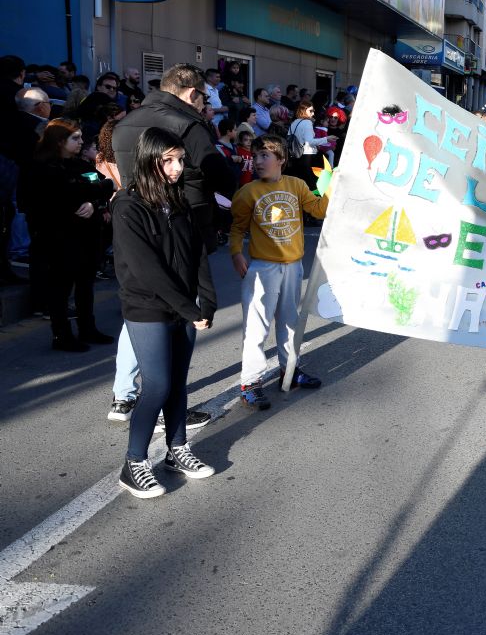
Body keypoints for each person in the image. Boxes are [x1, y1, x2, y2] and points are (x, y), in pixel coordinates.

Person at [111, 128, 217, 498]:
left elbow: (197, 251)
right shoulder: (128, 206)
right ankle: (134, 462)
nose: (176, 168)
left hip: (182, 305)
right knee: (156, 384)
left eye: (180, 159)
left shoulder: (178, 198)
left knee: (177, 382)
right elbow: (147, 269)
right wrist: (189, 308)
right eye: (168, 160)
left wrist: (207, 298)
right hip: (147, 307)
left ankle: (177, 449)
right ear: (148, 159)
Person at [230, 134, 330, 410]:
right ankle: (250, 382)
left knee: (289, 321)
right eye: (256, 155)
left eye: (265, 156)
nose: (258, 161)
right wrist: (236, 253)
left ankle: (290, 371)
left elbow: (319, 211)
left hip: (293, 265)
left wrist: (332, 187)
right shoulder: (248, 192)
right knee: (257, 326)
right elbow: (237, 228)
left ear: (281, 161)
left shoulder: (296, 185)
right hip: (263, 267)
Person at [21, 119, 114, 350]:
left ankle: (87, 328)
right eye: (75, 138)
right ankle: (61, 335)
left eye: (81, 138)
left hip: (86, 237)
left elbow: (106, 184)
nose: (81, 142)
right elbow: (56, 197)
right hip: (57, 239)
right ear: (59, 140)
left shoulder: (79, 165)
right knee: (60, 289)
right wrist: (89, 193)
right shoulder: (40, 168)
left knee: (85, 284)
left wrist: (93, 202)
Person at [286, 102, 336, 189]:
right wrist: (326, 139)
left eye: (313, 111)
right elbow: (310, 142)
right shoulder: (307, 123)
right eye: (311, 111)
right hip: (307, 155)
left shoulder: (295, 122)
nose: (313, 113)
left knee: (300, 181)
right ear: (303, 110)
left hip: (294, 154)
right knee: (311, 183)